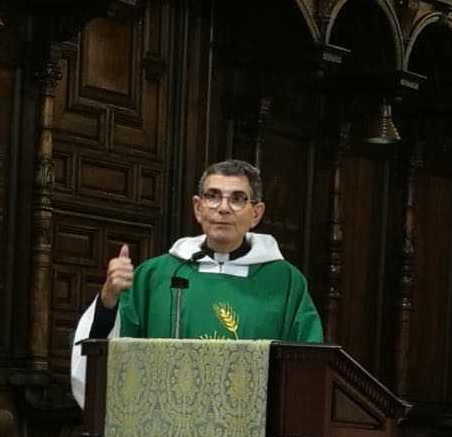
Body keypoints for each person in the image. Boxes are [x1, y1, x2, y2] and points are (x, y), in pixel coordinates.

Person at [70, 159, 323, 404]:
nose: (223, 208)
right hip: (162, 428)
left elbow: (307, 367)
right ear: (198, 207)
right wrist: (109, 298)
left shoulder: (285, 282)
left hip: (251, 433)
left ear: (256, 213)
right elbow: (107, 353)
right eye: (213, 196)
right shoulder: (155, 275)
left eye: (237, 199)